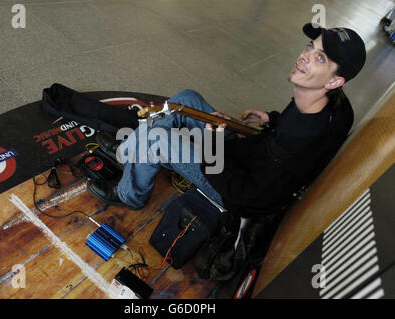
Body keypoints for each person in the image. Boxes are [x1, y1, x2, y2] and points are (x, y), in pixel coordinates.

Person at [87, 23, 366, 220]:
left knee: (158, 138)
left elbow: (246, 195)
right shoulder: (330, 102)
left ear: (335, 80)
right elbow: (293, 128)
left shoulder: (295, 148)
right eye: (310, 47)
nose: (304, 57)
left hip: (235, 189)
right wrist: (272, 120)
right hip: (247, 154)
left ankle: (130, 194)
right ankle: (130, 154)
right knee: (186, 99)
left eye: (319, 57)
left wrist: (212, 145)